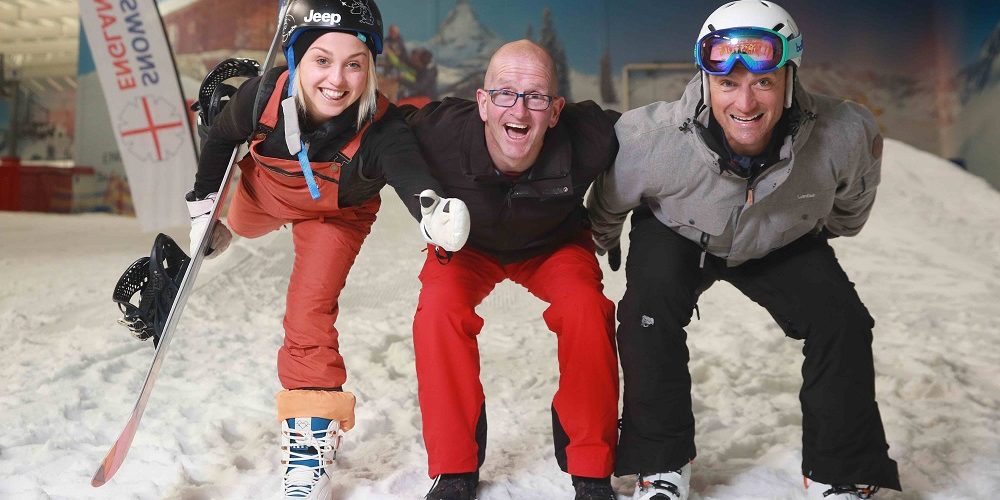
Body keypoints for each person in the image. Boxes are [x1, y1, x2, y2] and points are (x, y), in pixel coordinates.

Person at [586, 1, 901, 499]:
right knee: (647, 312)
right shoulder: (649, 139)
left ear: (789, 77)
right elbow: (606, 205)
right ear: (706, 80)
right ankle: (662, 463)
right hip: (679, 231)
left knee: (842, 321)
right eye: (728, 83)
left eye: (763, 82)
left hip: (781, 239)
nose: (745, 102)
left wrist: (809, 234)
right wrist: (604, 246)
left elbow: (852, 203)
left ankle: (839, 470)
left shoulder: (844, 133)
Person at [184, 0, 469, 498]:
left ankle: (312, 434)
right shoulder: (261, 96)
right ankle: (228, 229)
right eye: (322, 60)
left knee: (308, 311)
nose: (336, 80)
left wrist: (434, 211)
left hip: (334, 215)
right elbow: (220, 141)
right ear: (297, 58)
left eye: (354, 64)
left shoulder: (382, 129)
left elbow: (410, 175)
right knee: (243, 226)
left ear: (370, 67)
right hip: (264, 192)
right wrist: (203, 208)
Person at [402, 40, 621, 500]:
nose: (519, 109)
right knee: (438, 311)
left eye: (536, 96)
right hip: (468, 245)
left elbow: (662, 136)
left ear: (556, 111)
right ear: (483, 104)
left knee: (587, 308)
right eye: (504, 93)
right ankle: (455, 468)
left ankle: (591, 465)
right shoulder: (438, 130)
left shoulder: (591, 135)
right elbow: (374, 129)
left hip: (553, 244)